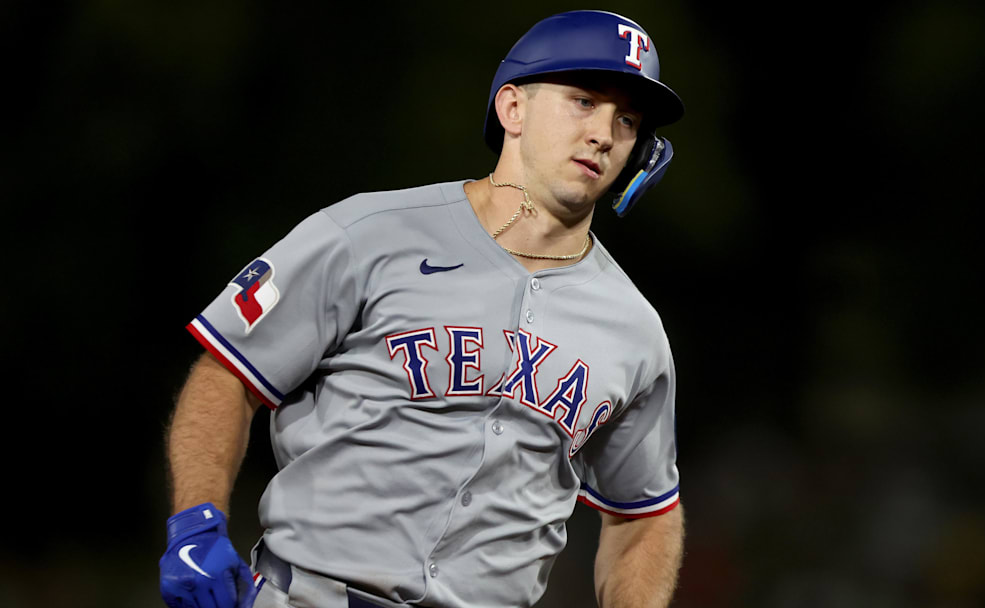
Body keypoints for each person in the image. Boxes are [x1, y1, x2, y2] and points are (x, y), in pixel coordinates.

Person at [159, 9, 686, 608]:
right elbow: (228, 372)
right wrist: (195, 523)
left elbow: (644, 514)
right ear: (512, 109)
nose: (604, 134)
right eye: (584, 101)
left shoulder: (634, 329)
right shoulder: (366, 234)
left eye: (627, 120)